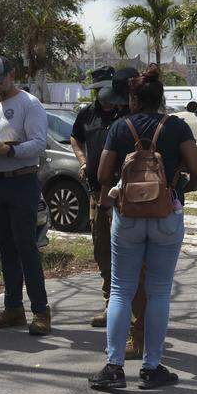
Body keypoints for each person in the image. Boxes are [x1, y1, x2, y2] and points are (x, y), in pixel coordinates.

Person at [89, 64, 197, 391]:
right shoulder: (177, 127)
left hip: (127, 218)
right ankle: (151, 368)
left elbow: (102, 175)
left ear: (134, 100)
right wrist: (178, 187)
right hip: (166, 215)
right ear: (161, 98)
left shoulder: (120, 127)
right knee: (158, 292)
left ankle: (114, 368)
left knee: (121, 290)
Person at [71, 66, 147, 356]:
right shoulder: (87, 114)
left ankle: (134, 324)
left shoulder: (128, 114)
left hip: (125, 198)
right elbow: (75, 137)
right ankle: (110, 305)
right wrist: (81, 159)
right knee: (102, 249)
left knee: (130, 261)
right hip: (97, 193)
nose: (102, 96)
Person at [0, 54, 52, 335]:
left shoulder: (29, 104)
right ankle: (13, 308)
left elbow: (39, 144)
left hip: (21, 183)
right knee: (5, 248)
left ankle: (41, 311)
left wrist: (12, 150)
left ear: (12, 75)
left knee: (26, 248)